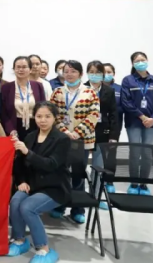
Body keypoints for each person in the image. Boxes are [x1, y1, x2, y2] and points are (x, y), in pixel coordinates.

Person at [8, 101, 71, 263]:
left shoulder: (62, 139)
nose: (43, 120)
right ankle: (19, 240)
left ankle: (44, 249)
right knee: (15, 201)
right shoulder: (30, 137)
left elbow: (51, 164)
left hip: (54, 187)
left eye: (47, 116)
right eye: (39, 116)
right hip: (32, 184)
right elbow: (19, 165)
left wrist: (28, 152)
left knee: (27, 207)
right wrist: (22, 181)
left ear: (55, 118)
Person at [49, 60, 99, 223]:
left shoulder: (90, 92)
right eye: (66, 71)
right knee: (61, 172)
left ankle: (78, 209)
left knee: (78, 173)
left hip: (82, 140)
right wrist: (65, 132)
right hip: (61, 139)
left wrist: (77, 133)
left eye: (73, 71)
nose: (69, 74)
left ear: (80, 74)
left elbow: (94, 115)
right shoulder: (57, 92)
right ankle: (59, 205)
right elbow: (52, 114)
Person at [121, 51, 153, 196]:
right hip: (134, 121)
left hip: (151, 123)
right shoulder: (128, 80)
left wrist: (152, 118)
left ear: (147, 61)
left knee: (147, 153)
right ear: (132, 64)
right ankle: (134, 183)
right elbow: (126, 102)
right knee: (135, 152)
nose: (141, 62)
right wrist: (142, 116)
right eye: (137, 60)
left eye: (143, 60)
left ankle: (144, 183)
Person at [85, 60, 119, 208]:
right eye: (91, 72)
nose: (94, 75)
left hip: (102, 132)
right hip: (84, 132)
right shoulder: (82, 89)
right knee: (80, 166)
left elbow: (114, 114)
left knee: (98, 167)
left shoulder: (108, 91)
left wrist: (113, 136)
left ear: (103, 74)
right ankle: (80, 197)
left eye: (98, 72)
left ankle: (96, 196)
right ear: (87, 73)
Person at [0, 57, 46, 142]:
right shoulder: (6, 88)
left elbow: (43, 108)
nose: (21, 70)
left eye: (24, 67)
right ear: (14, 69)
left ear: (30, 69)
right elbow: (3, 112)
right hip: (15, 127)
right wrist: (11, 129)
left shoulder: (38, 86)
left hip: (35, 126)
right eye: (18, 67)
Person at [103, 63, 124, 144]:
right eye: (104, 72)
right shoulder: (96, 88)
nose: (106, 74)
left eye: (109, 72)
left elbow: (124, 105)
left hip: (115, 123)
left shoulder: (120, 88)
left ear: (113, 73)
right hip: (100, 122)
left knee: (112, 147)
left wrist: (113, 110)